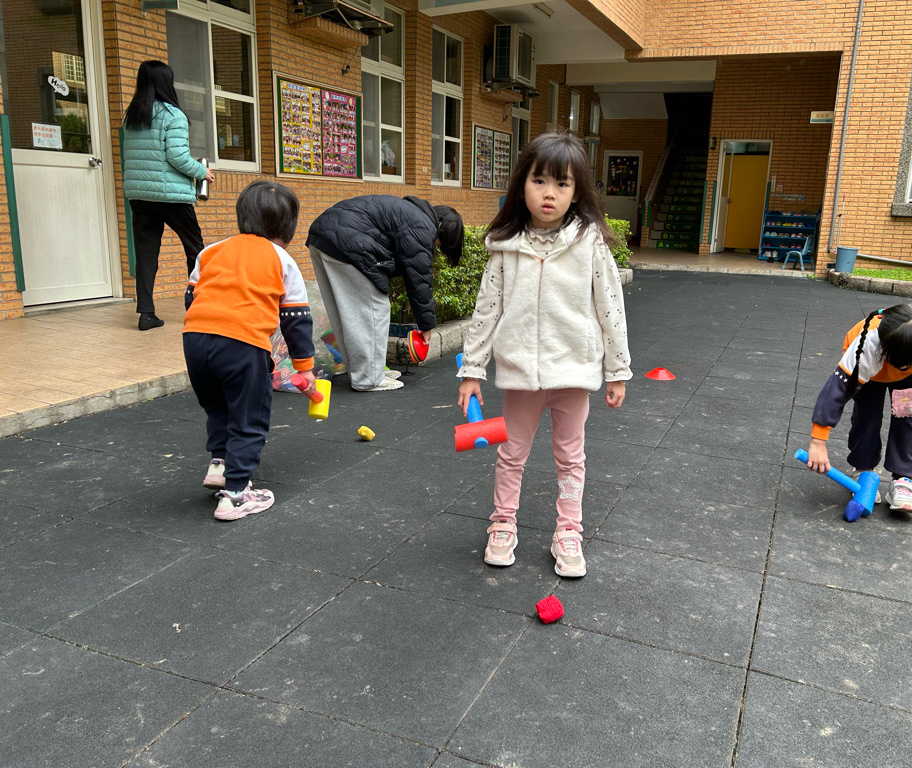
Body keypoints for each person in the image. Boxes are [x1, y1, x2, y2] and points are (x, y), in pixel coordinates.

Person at [456, 133, 632, 578]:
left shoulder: (590, 244)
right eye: (539, 181)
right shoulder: (506, 247)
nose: (549, 193)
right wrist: (472, 370)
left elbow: (611, 308)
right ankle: (502, 523)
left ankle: (568, 530)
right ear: (522, 186)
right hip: (520, 375)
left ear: (577, 193)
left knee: (571, 458)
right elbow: (486, 311)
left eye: (562, 184)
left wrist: (617, 370)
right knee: (511, 453)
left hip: (573, 374)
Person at [182, 181, 315, 521]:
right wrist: (305, 368)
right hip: (243, 344)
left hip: (195, 340)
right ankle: (236, 495)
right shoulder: (282, 260)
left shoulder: (211, 251)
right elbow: (296, 319)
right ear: (288, 227)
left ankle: (220, 464)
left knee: (218, 406)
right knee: (249, 418)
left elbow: (191, 297)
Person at [805, 303, 912, 513]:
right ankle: (863, 469)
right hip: (870, 369)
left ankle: (903, 479)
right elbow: (836, 391)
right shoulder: (867, 345)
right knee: (867, 416)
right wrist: (818, 441)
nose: (900, 366)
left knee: (907, 416)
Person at [305, 195, 463, 391]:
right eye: (440, 244)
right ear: (442, 229)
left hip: (321, 236)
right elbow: (419, 281)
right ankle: (369, 378)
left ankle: (366, 371)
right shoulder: (423, 227)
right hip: (348, 241)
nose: (435, 247)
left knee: (345, 312)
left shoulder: (411, 213)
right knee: (375, 308)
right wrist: (426, 325)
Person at [123, 60, 212, 331]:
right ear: (166, 83)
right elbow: (177, 157)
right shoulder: (173, 115)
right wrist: (202, 172)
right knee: (195, 250)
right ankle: (198, 308)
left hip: (140, 196)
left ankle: (146, 314)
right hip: (172, 196)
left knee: (146, 254)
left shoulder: (133, 116)